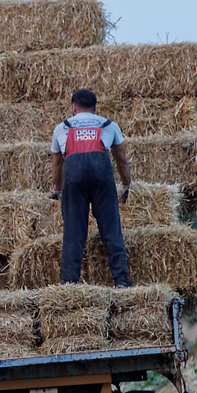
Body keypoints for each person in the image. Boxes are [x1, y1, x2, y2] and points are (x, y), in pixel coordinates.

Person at [50, 88, 134, 287]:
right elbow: (121, 159)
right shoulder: (109, 125)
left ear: (73, 108)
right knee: (111, 228)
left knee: (74, 232)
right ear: (96, 108)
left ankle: (70, 283)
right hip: (101, 174)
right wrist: (126, 184)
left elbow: (57, 164)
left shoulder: (62, 128)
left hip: (74, 175)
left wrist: (57, 190)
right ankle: (121, 280)